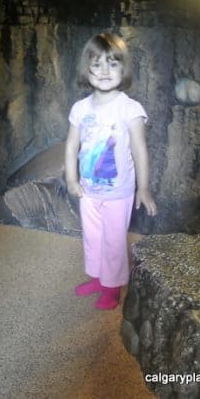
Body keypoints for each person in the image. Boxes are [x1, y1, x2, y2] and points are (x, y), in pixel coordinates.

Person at [65, 32, 157, 310]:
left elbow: (140, 150)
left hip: (118, 192)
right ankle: (98, 277)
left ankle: (113, 285)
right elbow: (71, 147)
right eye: (96, 63)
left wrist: (143, 188)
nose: (104, 71)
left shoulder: (130, 109)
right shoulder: (80, 109)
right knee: (92, 237)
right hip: (89, 191)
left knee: (114, 239)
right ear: (87, 69)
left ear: (123, 68)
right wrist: (71, 179)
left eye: (113, 63)